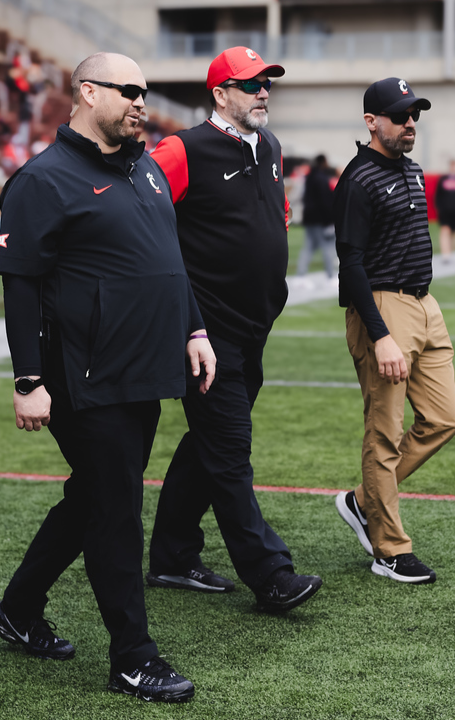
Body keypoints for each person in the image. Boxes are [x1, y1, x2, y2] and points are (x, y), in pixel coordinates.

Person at [0, 52, 216, 704]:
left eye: (145, 91)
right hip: (84, 375)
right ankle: (133, 658)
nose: (141, 102)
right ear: (87, 92)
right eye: (129, 91)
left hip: (146, 368)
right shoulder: (43, 179)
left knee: (93, 496)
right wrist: (28, 379)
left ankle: (18, 609)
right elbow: (21, 288)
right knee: (115, 509)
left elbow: (169, 264)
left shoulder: (143, 167)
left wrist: (194, 330)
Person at [145, 47, 322, 611]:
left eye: (267, 82)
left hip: (254, 324)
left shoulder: (268, 145)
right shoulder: (181, 149)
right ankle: (270, 574)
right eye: (250, 84)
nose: (263, 91)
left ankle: (172, 556)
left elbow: (272, 223)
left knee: (209, 443)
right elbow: (140, 223)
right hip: (205, 329)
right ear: (220, 94)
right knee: (228, 448)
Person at [331, 78, 455, 584]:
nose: (410, 124)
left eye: (415, 115)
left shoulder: (413, 170)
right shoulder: (358, 180)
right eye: (400, 115)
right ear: (372, 122)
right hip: (383, 309)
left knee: (444, 419)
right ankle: (389, 549)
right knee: (382, 433)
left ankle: (362, 502)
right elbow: (352, 265)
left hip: (425, 304)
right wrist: (381, 333)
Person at [296, 154, 339, 281]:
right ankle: (331, 275)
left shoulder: (310, 176)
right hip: (320, 218)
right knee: (327, 246)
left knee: (309, 246)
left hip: (309, 217)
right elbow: (325, 201)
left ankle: (300, 275)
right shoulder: (321, 178)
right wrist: (330, 219)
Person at [434, 159, 455, 263]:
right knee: (445, 230)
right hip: (444, 210)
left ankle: (450, 252)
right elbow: (438, 195)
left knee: (453, 232)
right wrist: (439, 207)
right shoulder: (443, 179)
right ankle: (446, 254)